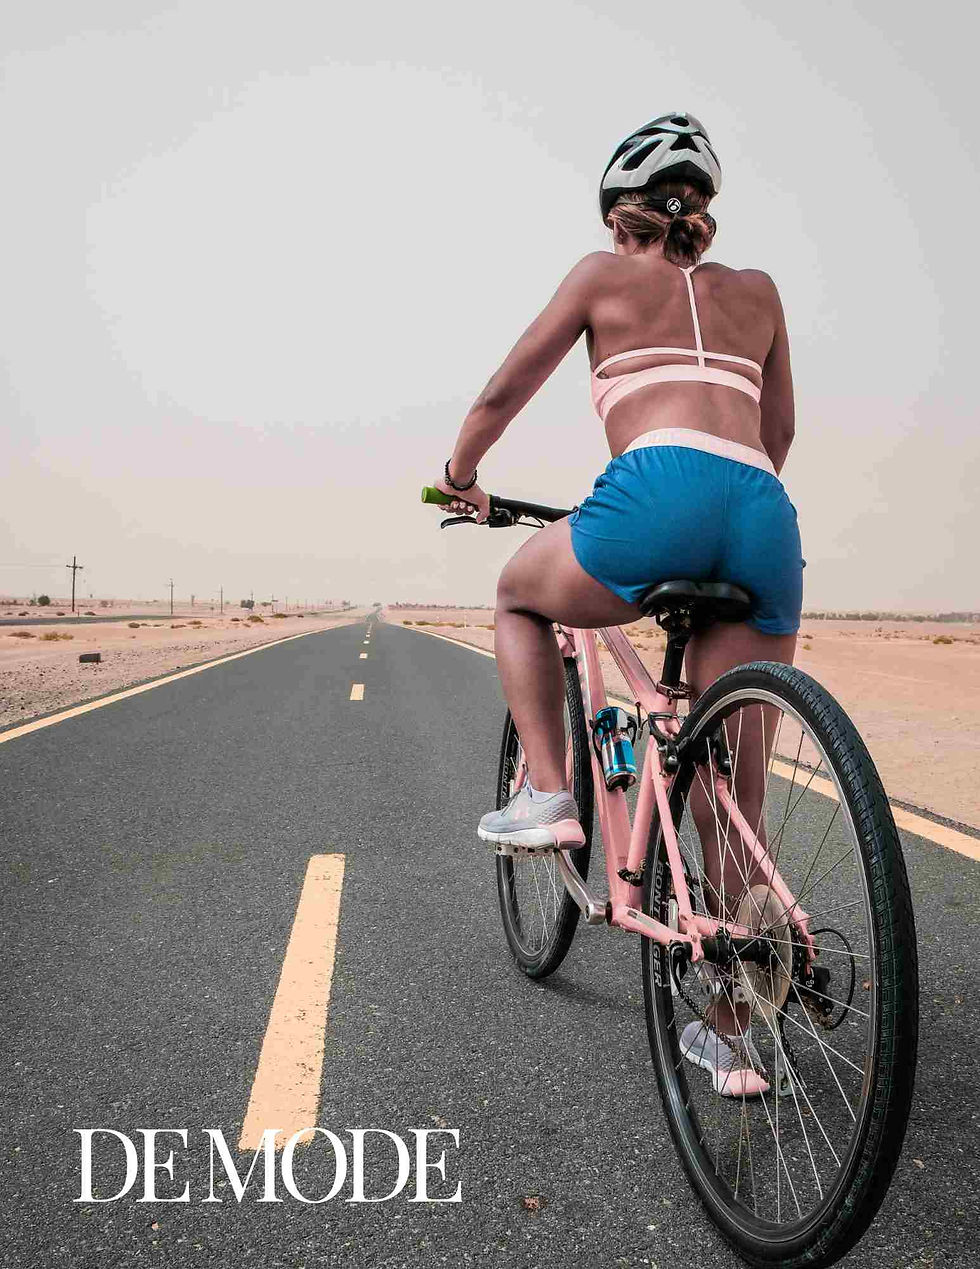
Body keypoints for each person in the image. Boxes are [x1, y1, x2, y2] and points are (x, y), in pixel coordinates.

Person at [429, 113, 804, 1095]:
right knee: (735, 798)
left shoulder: (601, 274)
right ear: (701, 215)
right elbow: (776, 432)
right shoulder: (759, 291)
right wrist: (725, 502)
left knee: (518, 593)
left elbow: (505, 387)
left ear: (617, 213)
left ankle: (550, 792)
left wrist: (461, 474)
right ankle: (732, 1037)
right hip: (762, 512)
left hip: (655, 492)